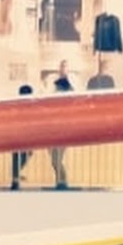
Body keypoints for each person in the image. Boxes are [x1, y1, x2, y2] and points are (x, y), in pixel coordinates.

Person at [49, 60, 73, 189]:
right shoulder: (55, 84)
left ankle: (62, 181)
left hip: (62, 128)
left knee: (56, 159)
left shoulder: (69, 85)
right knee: (55, 159)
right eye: (62, 67)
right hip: (55, 128)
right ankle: (60, 180)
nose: (62, 69)